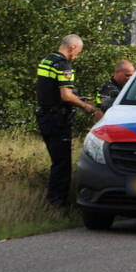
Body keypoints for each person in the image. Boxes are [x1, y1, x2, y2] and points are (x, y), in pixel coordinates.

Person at [35, 34, 103, 210]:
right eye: (78, 52)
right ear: (72, 48)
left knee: (56, 161)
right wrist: (86, 106)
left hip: (44, 116)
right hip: (58, 120)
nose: (77, 56)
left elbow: (49, 89)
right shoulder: (64, 65)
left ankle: (52, 203)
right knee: (62, 165)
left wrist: (75, 96)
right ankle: (57, 205)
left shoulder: (47, 60)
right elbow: (65, 95)